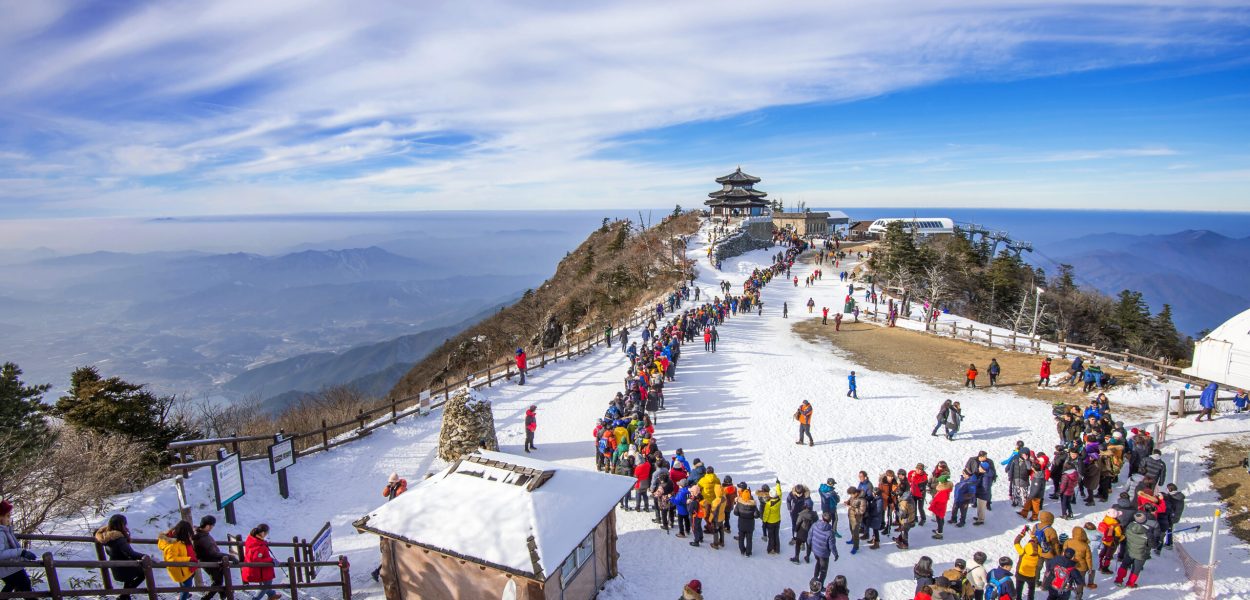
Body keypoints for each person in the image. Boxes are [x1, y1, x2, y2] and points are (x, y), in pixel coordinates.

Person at [95, 514, 147, 600]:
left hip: (116, 566)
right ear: (121, 525)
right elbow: (131, 553)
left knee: (129, 578)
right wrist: (146, 556)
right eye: (125, 524)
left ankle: (125, 596)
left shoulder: (107, 537)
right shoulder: (118, 538)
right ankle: (124, 595)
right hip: (124, 567)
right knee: (144, 572)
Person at [194, 516, 235, 600]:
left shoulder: (203, 535)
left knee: (219, 581)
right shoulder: (202, 537)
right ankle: (206, 598)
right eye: (212, 526)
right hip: (209, 562)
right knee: (217, 582)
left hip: (211, 561)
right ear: (207, 525)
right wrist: (230, 557)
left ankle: (223, 595)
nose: (212, 528)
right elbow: (213, 553)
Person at [1, 500, 37, 595]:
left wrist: (22, 556)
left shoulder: (5, 530)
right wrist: (21, 552)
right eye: (7, 516)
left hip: (11, 567)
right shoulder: (1, 533)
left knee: (13, 586)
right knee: (25, 587)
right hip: (8, 568)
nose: (10, 519)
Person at [156, 520, 198, 600]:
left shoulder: (177, 539)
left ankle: (183, 595)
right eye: (187, 534)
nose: (189, 536)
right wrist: (188, 559)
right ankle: (183, 597)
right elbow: (171, 559)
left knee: (186, 586)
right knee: (187, 587)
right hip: (181, 570)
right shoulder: (173, 544)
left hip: (183, 569)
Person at [242, 524, 282, 600]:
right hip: (261, 570)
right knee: (266, 585)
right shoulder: (259, 546)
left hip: (257, 569)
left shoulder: (252, 539)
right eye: (267, 533)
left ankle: (271, 594)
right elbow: (256, 560)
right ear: (263, 533)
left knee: (266, 584)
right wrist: (270, 560)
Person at [1114, 512, 1152, 588]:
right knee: (1136, 570)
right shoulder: (1148, 533)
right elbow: (1152, 544)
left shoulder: (1130, 527)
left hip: (1129, 550)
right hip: (1141, 554)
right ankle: (1130, 583)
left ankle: (1119, 580)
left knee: (1124, 565)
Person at [808, 512, 838, 585]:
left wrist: (810, 545)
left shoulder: (815, 525)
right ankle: (820, 585)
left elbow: (809, 536)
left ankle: (815, 578)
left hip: (815, 550)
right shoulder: (830, 532)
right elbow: (832, 546)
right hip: (824, 554)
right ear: (830, 520)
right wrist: (836, 554)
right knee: (823, 570)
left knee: (818, 562)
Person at [1013, 526, 1043, 600]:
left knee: (1019, 590)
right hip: (1031, 575)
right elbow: (1038, 543)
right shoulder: (1039, 552)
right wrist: (1032, 535)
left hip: (1021, 573)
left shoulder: (1023, 552)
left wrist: (1022, 533)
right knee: (1031, 590)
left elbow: (1016, 542)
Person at [735, 485, 759, 557]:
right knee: (749, 539)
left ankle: (742, 550)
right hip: (750, 526)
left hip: (741, 524)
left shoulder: (739, 503)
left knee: (741, 538)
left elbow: (735, 513)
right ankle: (748, 553)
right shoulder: (753, 505)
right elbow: (757, 515)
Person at [929, 475, 952, 539]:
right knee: (940, 519)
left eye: (939, 482)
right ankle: (938, 530)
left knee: (939, 520)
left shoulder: (943, 491)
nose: (939, 483)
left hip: (939, 508)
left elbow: (939, 499)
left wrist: (933, 502)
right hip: (940, 508)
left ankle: (939, 533)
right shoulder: (945, 489)